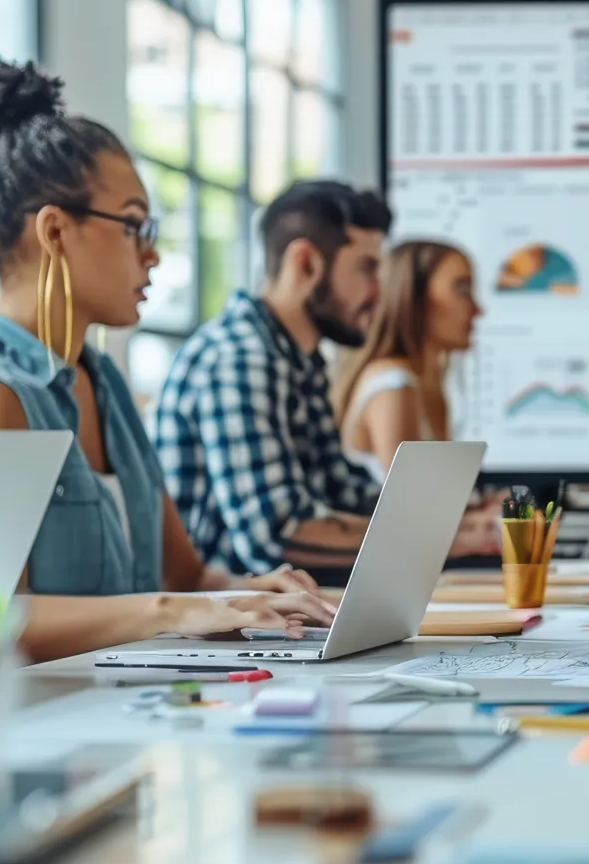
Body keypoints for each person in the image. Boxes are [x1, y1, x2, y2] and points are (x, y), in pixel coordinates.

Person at [0, 56, 332, 662]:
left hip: (132, 700)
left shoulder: (104, 380)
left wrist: (254, 593)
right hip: (51, 714)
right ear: (55, 233)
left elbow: (188, 579)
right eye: (134, 226)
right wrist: (168, 611)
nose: (152, 255)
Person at [151, 184, 494, 579]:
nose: (380, 292)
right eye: (367, 269)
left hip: (283, 604)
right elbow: (279, 534)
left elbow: (344, 493)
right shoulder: (239, 358)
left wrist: (466, 518)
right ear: (306, 264)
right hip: (233, 611)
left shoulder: (299, 362)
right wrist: (447, 539)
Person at [332, 239, 481, 481]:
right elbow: (415, 501)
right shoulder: (393, 385)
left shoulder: (425, 385)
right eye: (462, 290)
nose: (477, 309)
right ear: (413, 298)